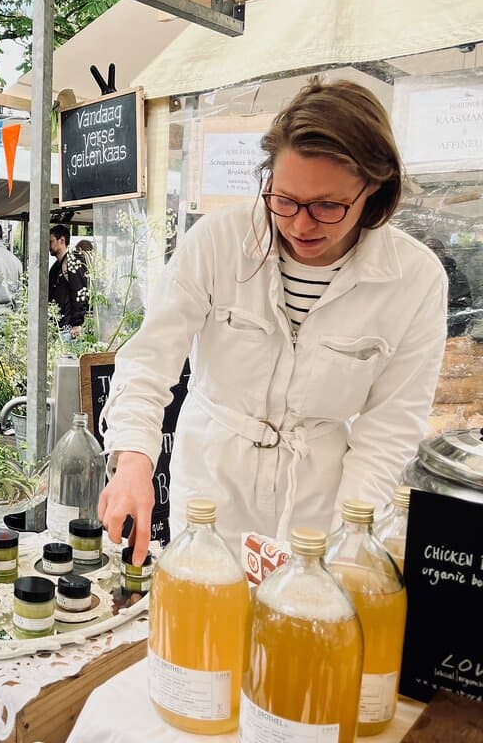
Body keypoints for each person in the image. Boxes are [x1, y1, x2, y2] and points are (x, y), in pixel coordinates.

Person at [99, 78, 448, 566]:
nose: (301, 225)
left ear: (374, 187)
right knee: (206, 627)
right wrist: (134, 455)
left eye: (328, 206)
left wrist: (353, 536)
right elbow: (150, 359)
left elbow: (390, 427)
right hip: (212, 486)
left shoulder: (414, 279)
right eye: (283, 200)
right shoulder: (218, 242)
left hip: (322, 502)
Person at [48, 224, 89, 336]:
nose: (48, 245)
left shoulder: (73, 263)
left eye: (51, 241)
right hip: (58, 325)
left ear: (61, 240)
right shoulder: (56, 267)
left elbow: (79, 292)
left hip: (69, 328)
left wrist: (77, 323)